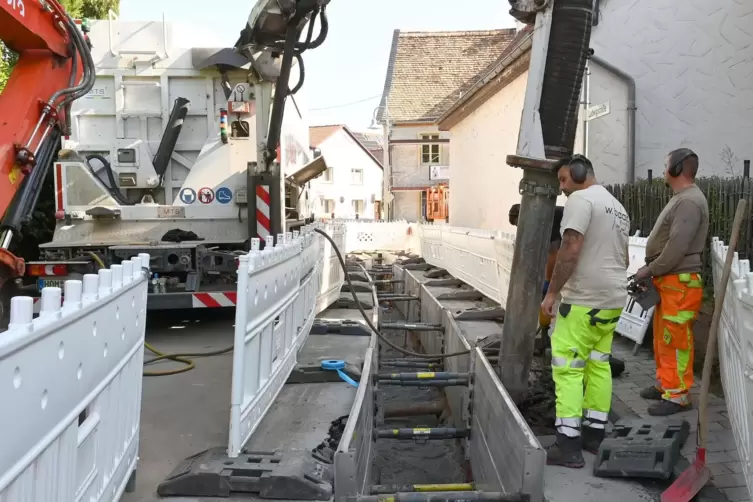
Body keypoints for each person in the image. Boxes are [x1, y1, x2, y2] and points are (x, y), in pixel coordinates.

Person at [541, 154, 630, 468]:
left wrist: (552, 292)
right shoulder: (617, 207)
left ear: (578, 173)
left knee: (567, 366)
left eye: (564, 179)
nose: (562, 187)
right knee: (599, 364)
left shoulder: (580, 201)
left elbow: (571, 248)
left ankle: (567, 444)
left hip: (582, 300)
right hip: (612, 301)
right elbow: (624, 257)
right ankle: (595, 434)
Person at [634, 148, 709, 416]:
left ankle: (677, 396)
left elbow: (677, 247)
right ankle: (667, 384)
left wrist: (650, 269)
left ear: (677, 168)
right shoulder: (683, 198)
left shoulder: (688, 201)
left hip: (680, 282)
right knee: (664, 338)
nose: (664, 170)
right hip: (672, 281)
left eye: (666, 165)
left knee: (675, 339)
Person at [509, 203, 564, 332]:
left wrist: (547, 282)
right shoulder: (539, 216)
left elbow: (553, 253)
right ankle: (545, 328)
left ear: (524, 217)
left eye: (520, 225)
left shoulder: (547, 218)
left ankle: (545, 330)